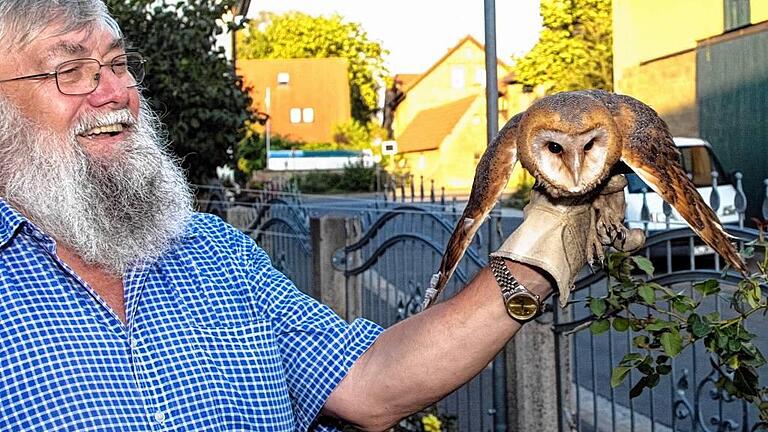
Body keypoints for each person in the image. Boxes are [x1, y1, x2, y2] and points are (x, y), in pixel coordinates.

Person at [0, 1, 639, 431]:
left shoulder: (213, 255)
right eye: (70, 70)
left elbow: (372, 381)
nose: (115, 92)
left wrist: (538, 254)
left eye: (115, 64)